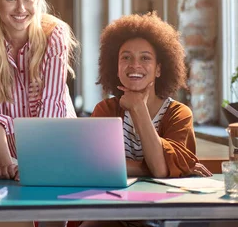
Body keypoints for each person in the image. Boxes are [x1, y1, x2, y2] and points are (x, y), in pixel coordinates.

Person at [80, 13, 212, 227]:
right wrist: (152, 167)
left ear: (159, 69)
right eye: (126, 57)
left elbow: (160, 169)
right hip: (111, 206)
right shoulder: (105, 110)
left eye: (145, 58)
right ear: (116, 65)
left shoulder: (179, 114)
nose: (135, 65)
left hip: (161, 209)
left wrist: (138, 107)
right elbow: (98, 168)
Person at [0, 0, 78, 181]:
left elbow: (51, 104)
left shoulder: (54, 35)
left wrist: (34, 163)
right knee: (14, 212)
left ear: (38, 1)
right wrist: (6, 164)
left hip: (55, 145)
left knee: (54, 213)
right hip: (8, 151)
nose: (21, 8)